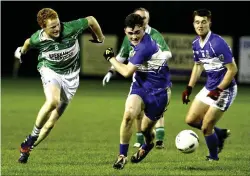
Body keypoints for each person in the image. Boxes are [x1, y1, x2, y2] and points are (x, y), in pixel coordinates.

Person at [14, 8, 105, 163]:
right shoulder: (39, 38)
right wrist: (21, 51)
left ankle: (27, 149)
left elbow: (90, 19)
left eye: (57, 25)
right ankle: (32, 136)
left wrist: (100, 38)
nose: (57, 29)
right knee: (52, 101)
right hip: (50, 70)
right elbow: (28, 42)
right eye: (52, 27)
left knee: (50, 124)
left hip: (71, 76)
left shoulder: (70, 28)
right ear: (43, 28)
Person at [103, 13, 172, 169]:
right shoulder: (131, 41)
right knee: (128, 115)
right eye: (130, 33)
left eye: (137, 32)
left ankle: (147, 145)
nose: (133, 37)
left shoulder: (145, 46)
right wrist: (111, 69)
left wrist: (110, 58)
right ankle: (122, 156)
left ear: (143, 29)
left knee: (147, 130)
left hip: (159, 92)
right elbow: (126, 64)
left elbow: (127, 72)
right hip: (140, 86)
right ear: (125, 31)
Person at [182, 9, 238, 161]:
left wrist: (219, 89)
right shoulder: (196, 43)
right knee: (191, 120)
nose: (200, 25)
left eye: (204, 22)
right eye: (197, 22)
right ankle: (219, 133)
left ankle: (213, 157)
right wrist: (189, 88)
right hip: (209, 87)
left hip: (225, 90)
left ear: (209, 23)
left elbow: (233, 70)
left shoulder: (217, 43)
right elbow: (198, 66)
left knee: (206, 126)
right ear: (194, 24)